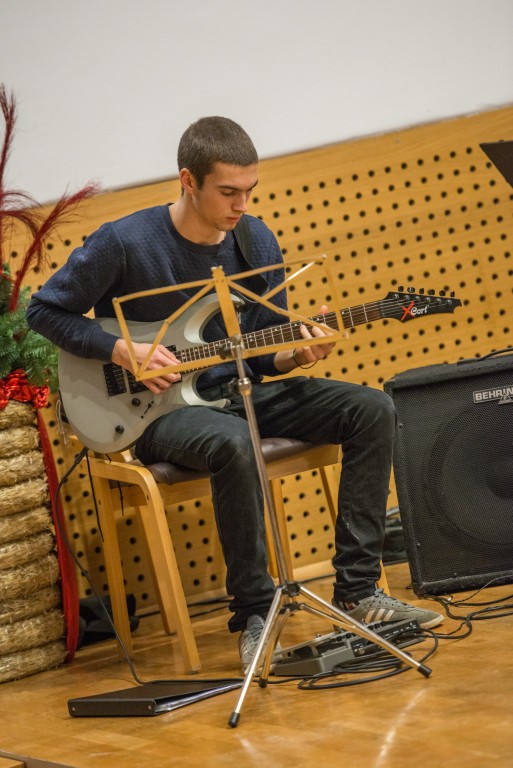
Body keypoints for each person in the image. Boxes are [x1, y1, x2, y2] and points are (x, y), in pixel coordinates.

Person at [27, 116, 443, 670]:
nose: (241, 205)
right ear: (188, 180)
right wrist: (121, 350)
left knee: (372, 408)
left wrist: (296, 354)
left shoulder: (255, 240)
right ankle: (255, 613)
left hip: (235, 392)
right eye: (228, 192)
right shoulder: (125, 242)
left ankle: (358, 590)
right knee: (234, 441)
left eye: (250, 190)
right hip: (156, 412)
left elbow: (259, 354)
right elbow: (43, 311)